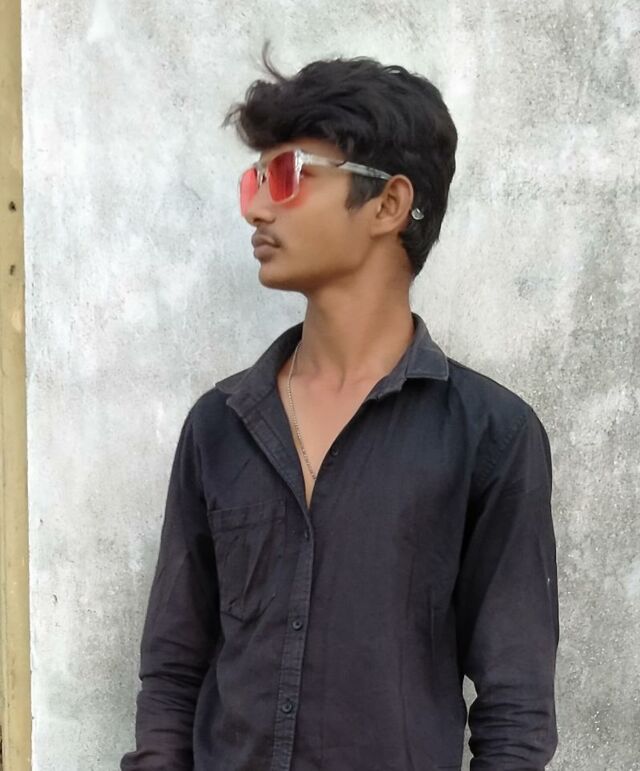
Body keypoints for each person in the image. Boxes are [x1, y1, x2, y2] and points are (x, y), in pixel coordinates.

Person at [121, 41, 559, 771]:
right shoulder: (219, 426)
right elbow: (172, 669)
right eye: (254, 178)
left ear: (388, 203)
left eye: (288, 175)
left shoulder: (491, 436)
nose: (256, 206)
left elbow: (515, 708)